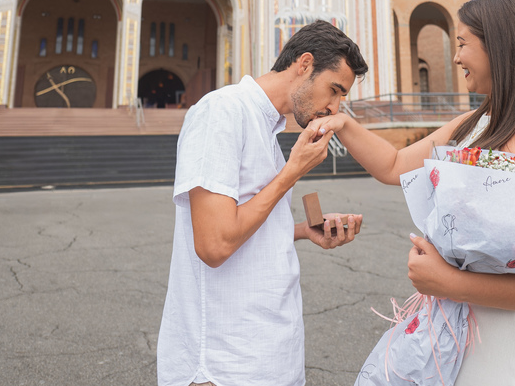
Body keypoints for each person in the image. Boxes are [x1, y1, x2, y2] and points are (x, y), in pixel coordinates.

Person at [321, 0, 515, 385]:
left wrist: (451, 283)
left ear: (499, 46)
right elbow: (393, 165)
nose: (456, 57)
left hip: (513, 354)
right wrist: (342, 123)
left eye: (462, 43)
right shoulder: (474, 123)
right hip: (458, 344)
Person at [158, 20, 368, 386]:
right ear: (304, 64)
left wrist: (301, 231)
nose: (334, 108)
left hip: (272, 355)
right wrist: (292, 172)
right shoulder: (221, 112)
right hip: (225, 364)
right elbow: (214, 244)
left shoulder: (267, 130)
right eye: (334, 90)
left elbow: (245, 223)